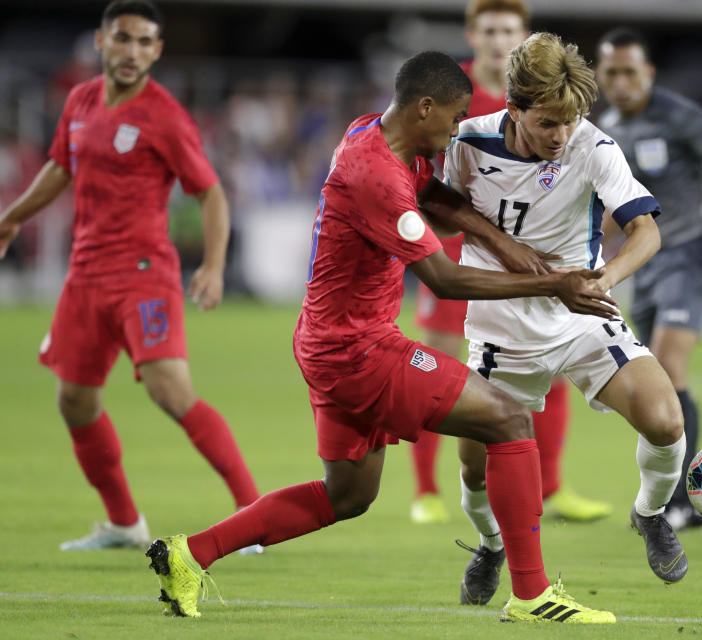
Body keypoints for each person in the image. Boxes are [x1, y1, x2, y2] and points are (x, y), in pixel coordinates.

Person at [145, 50, 617, 624]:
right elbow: (441, 280)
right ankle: (532, 594)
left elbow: (434, 196)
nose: (456, 131)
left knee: (349, 496)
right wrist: (548, 284)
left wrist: (499, 240)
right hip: (358, 350)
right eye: (454, 116)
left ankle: (189, 554)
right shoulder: (377, 176)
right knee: (510, 420)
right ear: (425, 108)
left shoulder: (373, 133)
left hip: (326, 341)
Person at [0, 0, 262, 552]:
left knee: (171, 391)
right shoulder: (80, 101)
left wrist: (213, 267)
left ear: (158, 51)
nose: (133, 51)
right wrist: (14, 216)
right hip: (84, 276)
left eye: (145, 42)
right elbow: (60, 166)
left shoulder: (164, 116)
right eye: (124, 38)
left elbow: (210, 192)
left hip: (144, 274)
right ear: (101, 41)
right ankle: (124, 523)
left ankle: (254, 514)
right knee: (74, 401)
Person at [442, 32, 688, 607]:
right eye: (548, 123)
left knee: (665, 418)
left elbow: (646, 231)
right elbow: (440, 203)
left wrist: (605, 279)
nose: (561, 136)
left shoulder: (594, 147)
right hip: (501, 328)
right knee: (475, 470)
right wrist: (503, 246)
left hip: (581, 316)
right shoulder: (469, 142)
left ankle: (650, 514)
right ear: (514, 109)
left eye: (571, 120)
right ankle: (490, 544)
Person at [410, 0, 612, 528]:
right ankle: (427, 490)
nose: (500, 40)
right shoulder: (457, 98)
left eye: (509, 30)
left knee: (553, 365)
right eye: (490, 30)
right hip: (456, 255)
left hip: (530, 258)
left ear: (523, 36)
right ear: (472, 35)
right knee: (442, 366)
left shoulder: (546, 102)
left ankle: (553, 486)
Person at [595, 28, 702, 530]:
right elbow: (616, 205)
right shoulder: (609, 124)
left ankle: (683, 503)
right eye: (611, 72)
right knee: (653, 376)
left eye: (629, 72)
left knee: (668, 361)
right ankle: (670, 498)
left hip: (692, 250)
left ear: (649, 74)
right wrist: (593, 252)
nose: (620, 82)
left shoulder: (682, 116)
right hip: (648, 259)